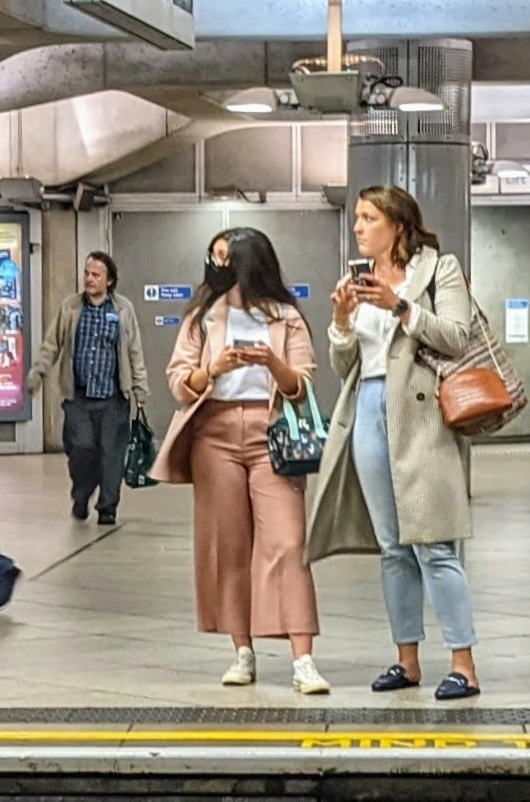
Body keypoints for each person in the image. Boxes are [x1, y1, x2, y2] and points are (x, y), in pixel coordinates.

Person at [305, 185, 487, 700]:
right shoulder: (357, 281)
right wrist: (341, 322)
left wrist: (401, 306)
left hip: (423, 412)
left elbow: (458, 335)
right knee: (392, 546)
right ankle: (407, 660)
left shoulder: (439, 268)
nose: (358, 227)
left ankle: (463, 664)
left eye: (368, 218)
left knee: (433, 540)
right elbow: (346, 365)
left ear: (397, 225)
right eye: (357, 219)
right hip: (367, 406)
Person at [151, 229, 324, 693]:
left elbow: (302, 385)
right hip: (215, 433)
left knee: (288, 541)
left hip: (273, 435)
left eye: (225, 257)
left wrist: (272, 363)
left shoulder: (285, 316)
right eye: (213, 255)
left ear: (249, 264)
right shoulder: (203, 315)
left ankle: (303, 659)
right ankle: (242, 651)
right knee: (228, 545)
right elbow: (177, 378)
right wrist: (215, 369)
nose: (215, 264)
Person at [39, 250, 148, 525]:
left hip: (113, 398)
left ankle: (108, 506)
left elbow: (134, 350)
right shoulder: (71, 307)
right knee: (81, 449)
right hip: (79, 398)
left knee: (112, 456)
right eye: (87, 273)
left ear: (109, 280)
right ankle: (82, 493)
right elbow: (52, 343)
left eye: (96, 275)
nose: (89, 279)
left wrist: (139, 387)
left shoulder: (123, 310)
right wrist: (38, 371)